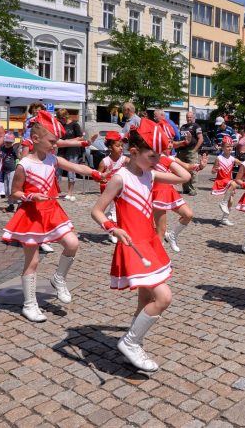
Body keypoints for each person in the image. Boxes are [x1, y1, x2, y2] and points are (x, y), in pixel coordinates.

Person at [91, 119, 190, 372]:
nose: (156, 161)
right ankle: (131, 342)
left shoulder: (151, 173)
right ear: (133, 152)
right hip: (132, 244)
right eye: (151, 155)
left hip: (150, 242)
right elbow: (97, 211)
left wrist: (164, 156)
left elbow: (185, 176)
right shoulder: (120, 178)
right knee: (163, 297)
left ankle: (133, 342)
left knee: (145, 298)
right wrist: (112, 228)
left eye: (159, 156)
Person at [1, 111, 102, 323]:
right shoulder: (24, 165)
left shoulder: (52, 159)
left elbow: (76, 166)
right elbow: (14, 193)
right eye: (52, 141)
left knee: (72, 243)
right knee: (33, 260)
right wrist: (30, 196)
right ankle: (29, 304)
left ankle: (59, 278)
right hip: (31, 214)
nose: (55, 145)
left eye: (56, 142)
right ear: (36, 139)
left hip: (52, 211)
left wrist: (97, 174)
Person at [151, 133, 205, 253]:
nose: (170, 145)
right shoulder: (152, 158)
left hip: (170, 192)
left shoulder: (172, 159)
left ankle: (172, 236)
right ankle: (159, 261)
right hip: (157, 193)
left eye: (171, 142)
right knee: (161, 231)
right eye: (167, 142)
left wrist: (200, 166)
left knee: (188, 214)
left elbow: (187, 166)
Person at [96, 131, 127, 243]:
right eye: (117, 146)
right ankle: (112, 230)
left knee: (117, 209)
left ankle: (111, 224)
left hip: (121, 188)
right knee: (114, 209)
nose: (121, 148)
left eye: (122, 146)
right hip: (108, 188)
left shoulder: (124, 160)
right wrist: (102, 178)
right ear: (110, 147)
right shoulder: (104, 162)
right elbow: (97, 176)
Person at [54, 108, 85, 202]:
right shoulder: (61, 125)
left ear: (66, 116)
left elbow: (81, 137)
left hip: (72, 150)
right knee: (57, 171)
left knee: (71, 171)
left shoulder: (74, 124)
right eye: (60, 119)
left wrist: (68, 142)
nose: (61, 120)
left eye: (62, 118)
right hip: (62, 150)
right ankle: (55, 192)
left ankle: (70, 193)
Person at [211, 135, 238, 226]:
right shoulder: (219, 158)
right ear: (222, 147)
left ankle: (224, 218)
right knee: (234, 183)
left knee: (231, 201)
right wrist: (216, 169)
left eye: (231, 146)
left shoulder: (232, 158)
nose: (230, 148)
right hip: (221, 180)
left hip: (228, 182)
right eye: (227, 146)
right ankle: (223, 202)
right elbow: (212, 171)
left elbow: (242, 163)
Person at [178, 110, 203, 195]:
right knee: (183, 170)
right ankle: (185, 189)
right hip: (182, 151)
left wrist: (195, 149)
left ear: (193, 118)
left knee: (193, 170)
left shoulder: (196, 126)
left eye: (190, 117)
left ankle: (193, 189)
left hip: (191, 150)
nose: (189, 119)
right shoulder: (183, 127)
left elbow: (201, 139)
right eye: (187, 117)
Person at [0, 133, 19, 213]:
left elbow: (18, 158)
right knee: (6, 190)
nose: (8, 144)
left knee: (11, 189)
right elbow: (2, 156)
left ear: (12, 142)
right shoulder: (3, 148)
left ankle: (18, 205)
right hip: (5, 171)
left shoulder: (14, 149)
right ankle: (11, 205)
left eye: (10, 142)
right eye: (6, 142)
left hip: (13, 170)